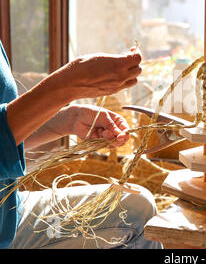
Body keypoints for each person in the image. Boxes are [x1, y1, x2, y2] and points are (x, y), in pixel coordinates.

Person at [0, 39, 162, 249]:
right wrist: (64, 86)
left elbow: (8, 135)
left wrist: (68, 119)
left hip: (9, 212)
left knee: (139, 210)